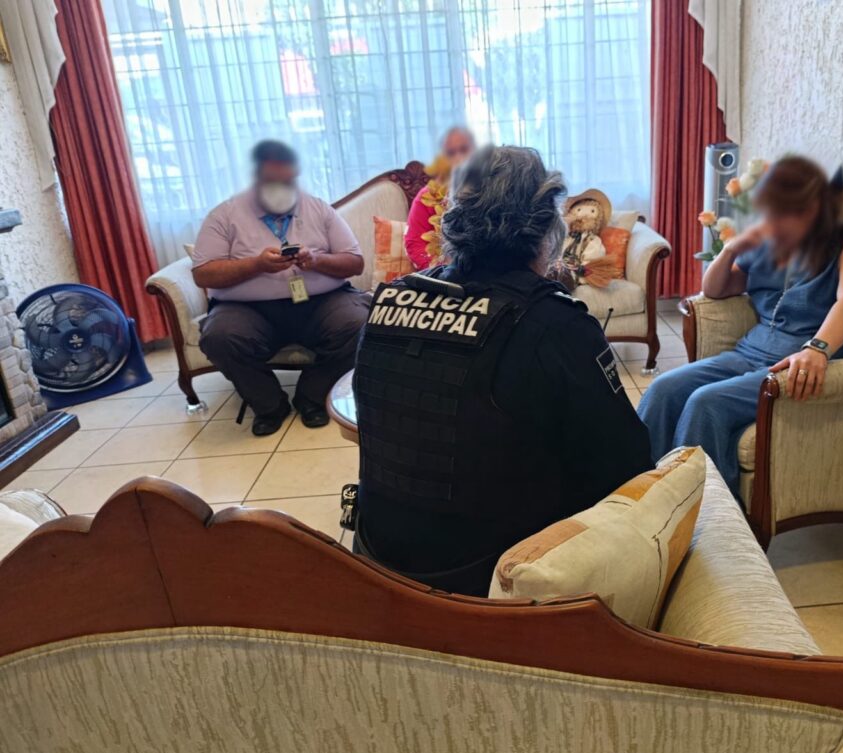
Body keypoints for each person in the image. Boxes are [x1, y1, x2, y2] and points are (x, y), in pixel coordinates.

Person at [353, 145, 652, 595]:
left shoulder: (387, 304)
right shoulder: (557, 325)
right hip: (493, 586)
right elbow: (627, 467)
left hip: (380, 568)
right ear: (545, 227)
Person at [638, 156, 843, 497]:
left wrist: (818, 348)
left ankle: (700, 512)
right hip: (749, 353)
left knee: (706, 403)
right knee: (664, 389)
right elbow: (715, 289)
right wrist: (731, 248)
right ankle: (637, 493)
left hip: (798, 363)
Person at [192, 140, 371, 436]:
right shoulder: (224, 215)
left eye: (288, 181)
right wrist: (256, 265)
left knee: (360, 324)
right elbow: (203, 274)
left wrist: (317, 261)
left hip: (322, 302)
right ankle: (270, 406)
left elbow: (355, 263)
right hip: (247, 309)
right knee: (220, 337)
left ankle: (312, 397)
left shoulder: (318, 208)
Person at [404, 126, 476, 270]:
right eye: (451, 153)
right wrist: (444, 270)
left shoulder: (493, 188)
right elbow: (415, 243)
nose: (458, 157)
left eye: (464, 150)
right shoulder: (428, 196)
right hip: (444, 272)